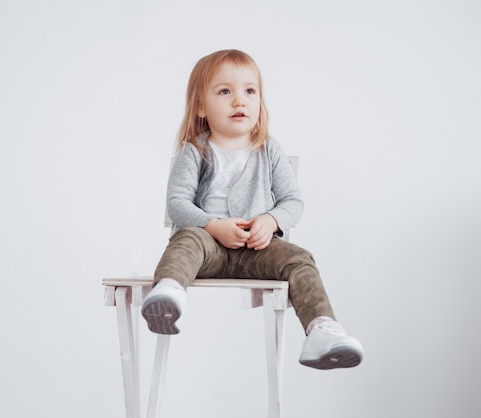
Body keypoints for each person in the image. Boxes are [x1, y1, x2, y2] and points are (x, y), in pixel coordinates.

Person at [141, 49, 364, 370]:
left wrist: (271, 220)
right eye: (224, 91)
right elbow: (177, 204)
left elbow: (293, 201)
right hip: (207, 250)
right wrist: (212, 226)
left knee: (299, 259)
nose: (239, 101)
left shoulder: (269, 150)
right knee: (187, 239)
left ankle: (321, 328)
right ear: (201, 106)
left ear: (260, 101)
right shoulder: (195, 151)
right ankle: (168, 293)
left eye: (249, 91)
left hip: (257, 250)